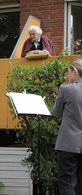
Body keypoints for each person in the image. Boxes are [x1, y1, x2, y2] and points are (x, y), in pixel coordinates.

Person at [53, 59, 82, 195]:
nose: (67, 75)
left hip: (68, 144)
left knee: (66, 184)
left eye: (68, 72)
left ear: (74, 71)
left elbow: (56, 113)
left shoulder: (66, 89)